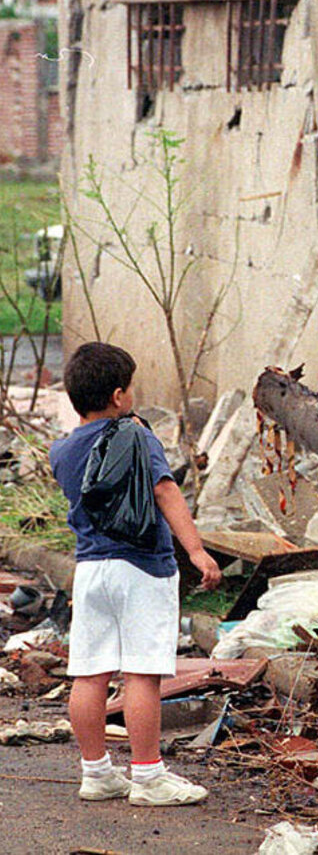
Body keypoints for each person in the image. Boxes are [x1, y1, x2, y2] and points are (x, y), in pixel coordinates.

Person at [50, 341, 222, 806]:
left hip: (90, 571)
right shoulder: (138, 436)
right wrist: (198, 551)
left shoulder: (61, 450)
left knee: (89, 674)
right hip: (142, 568)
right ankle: (147, 776)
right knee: (142, 674)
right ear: (120, 395)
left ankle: (96, 773)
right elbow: (165, 492)